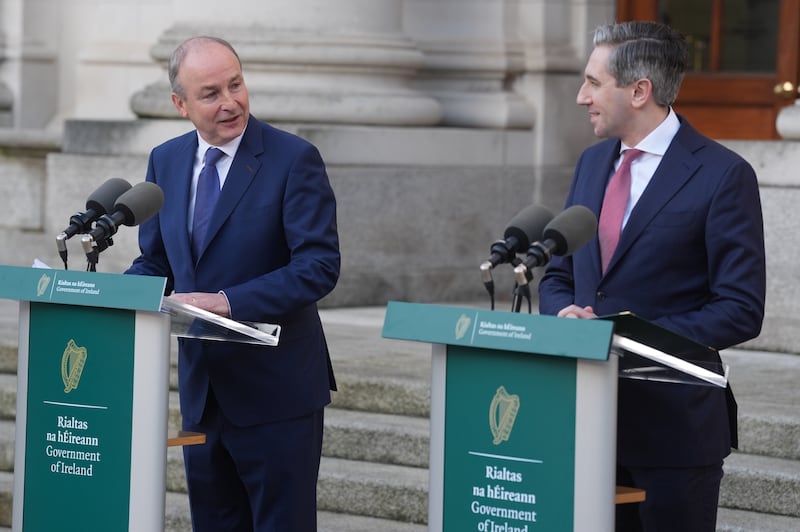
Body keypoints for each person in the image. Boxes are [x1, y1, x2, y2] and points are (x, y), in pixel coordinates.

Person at [538, 21, 765, 532]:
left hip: (673, 432)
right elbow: (559, 274)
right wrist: (564, 314)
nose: (581, 97)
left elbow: (741, 307)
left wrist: (624, 336)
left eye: (594, 83)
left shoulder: (723, 175)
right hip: (584, 421)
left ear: (639, 91)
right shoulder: (592, 164)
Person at [125, 36, 340, 531]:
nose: (230, 102)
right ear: (180, 104)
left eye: (236, 84)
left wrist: (228, 302)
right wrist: (109, 301)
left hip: (277, 395)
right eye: (211, 93)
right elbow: (155, 261)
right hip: (202, 400)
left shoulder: (293, 159)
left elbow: (319, 266)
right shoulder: (166, 161)